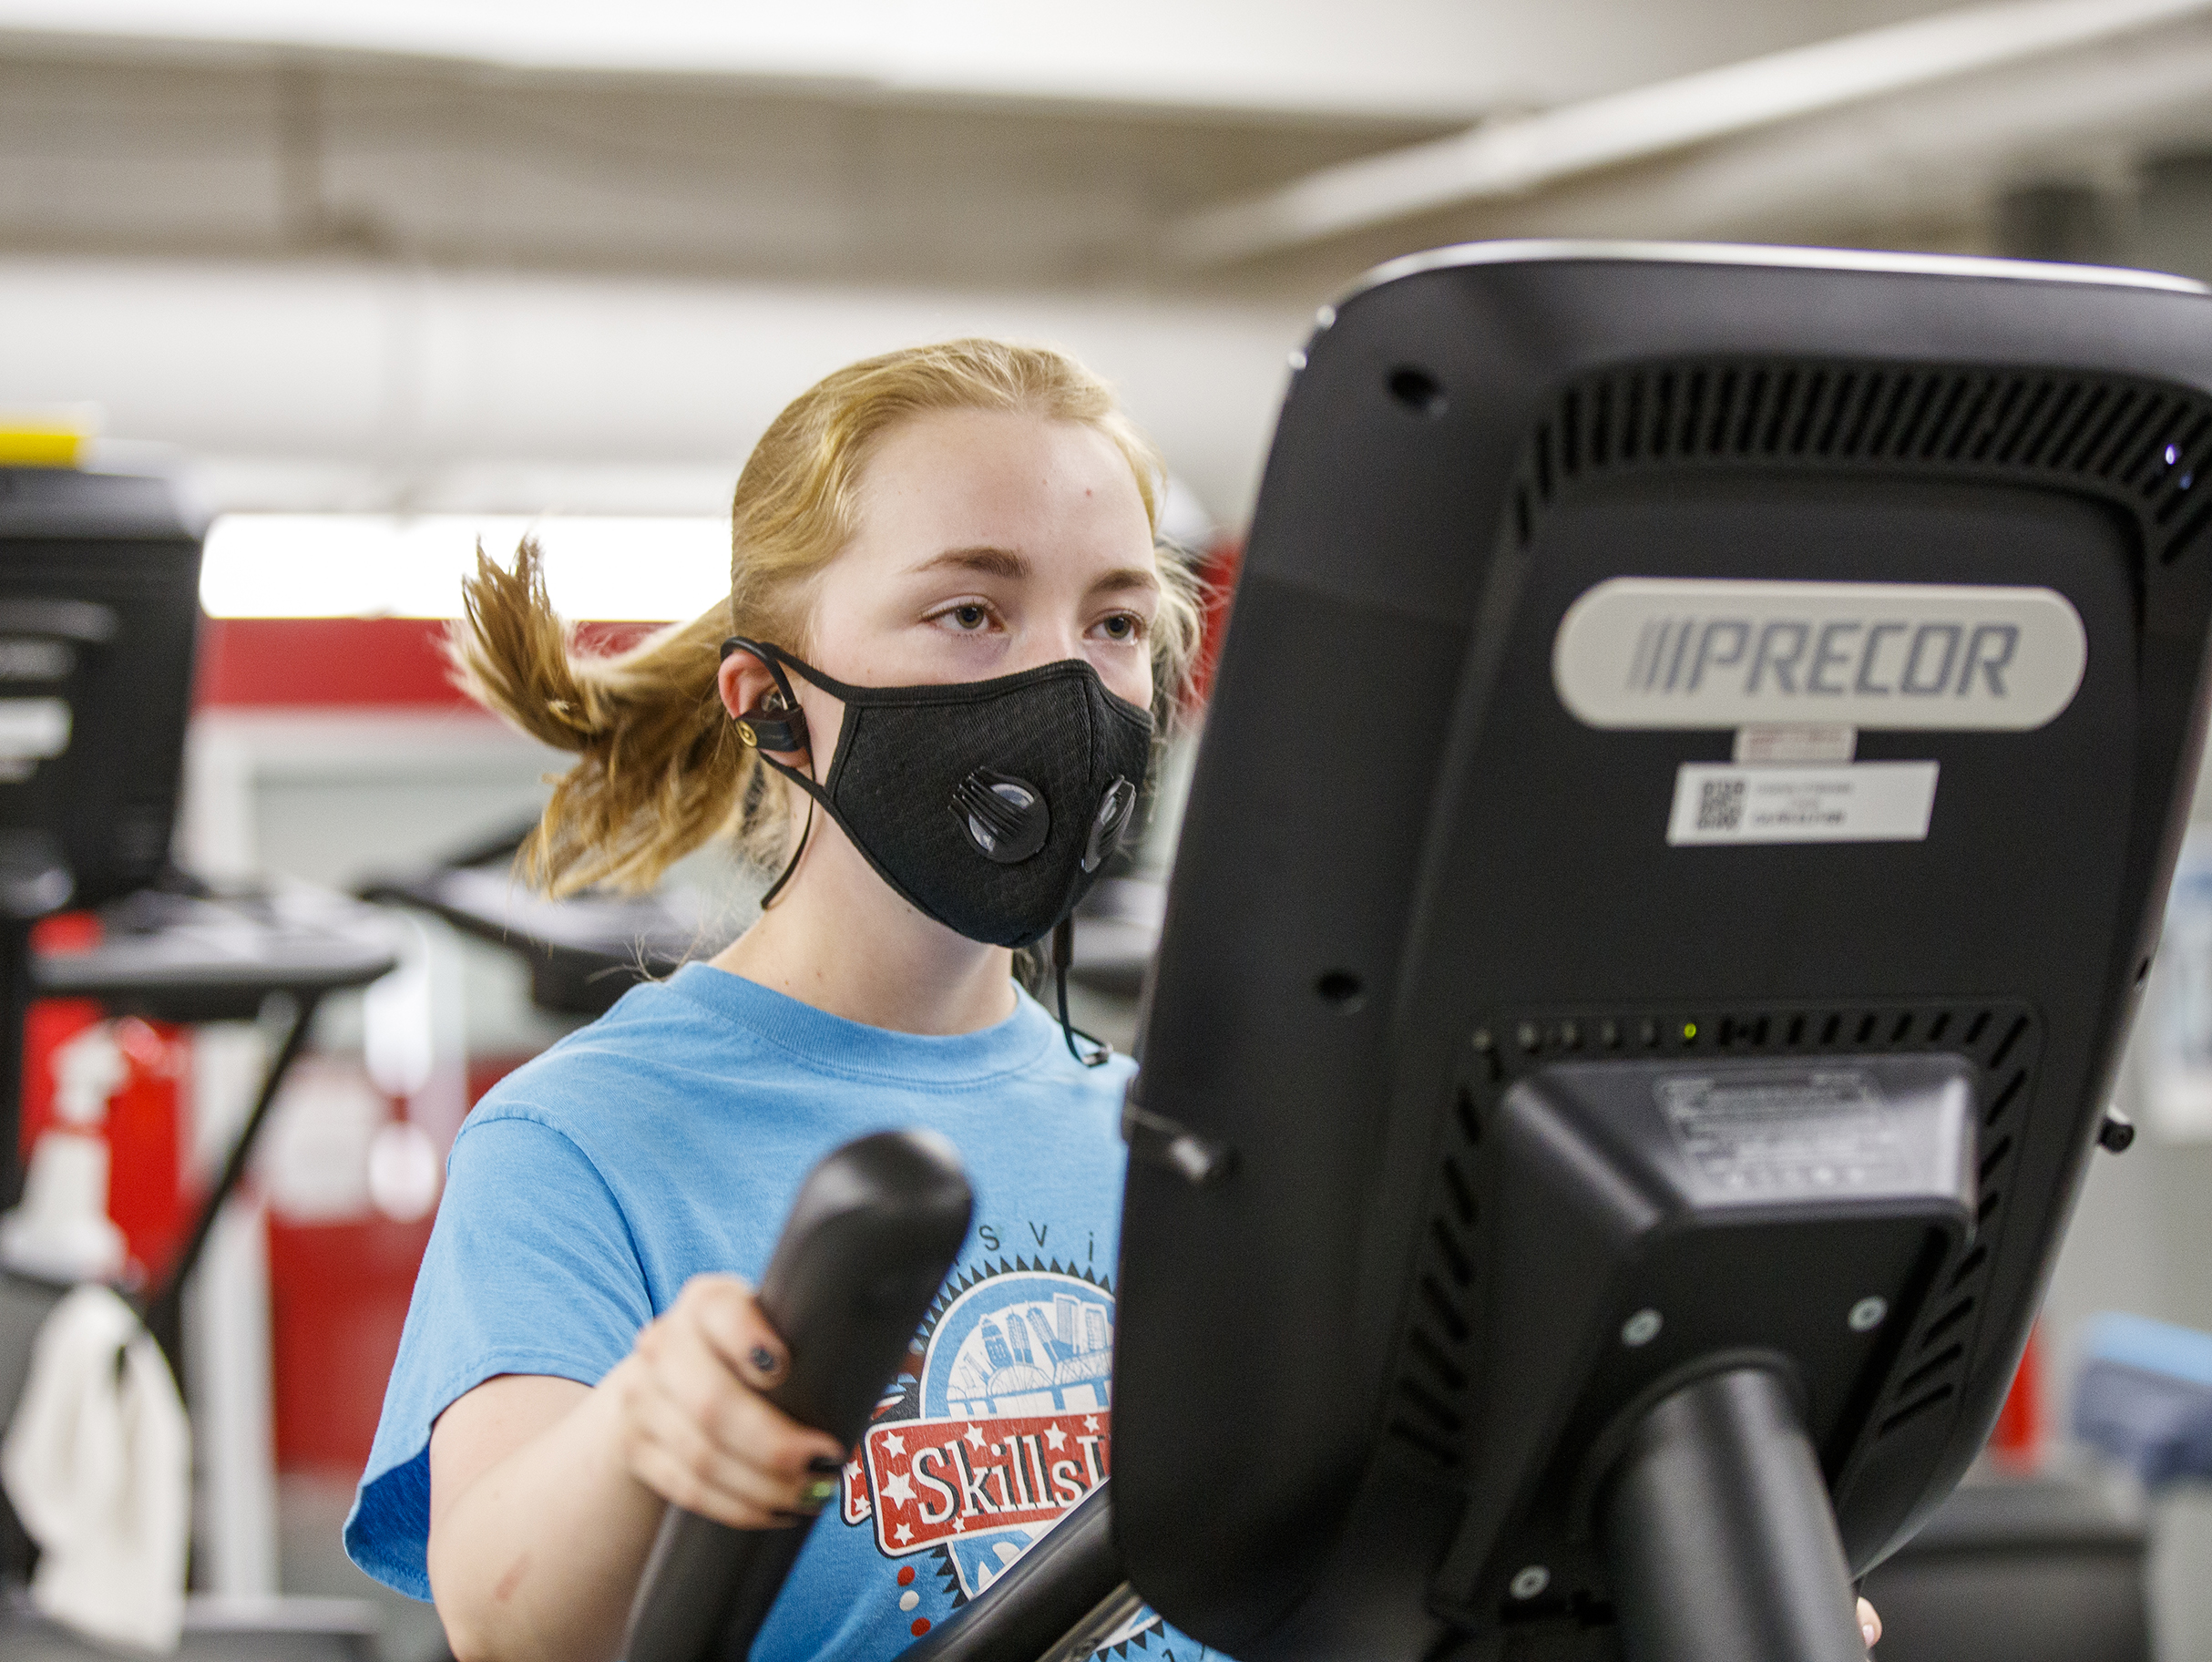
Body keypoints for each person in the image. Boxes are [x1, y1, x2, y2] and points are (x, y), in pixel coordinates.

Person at [344, 339, 1204, 1662]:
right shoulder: (581, 1138)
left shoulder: (1167, 1137)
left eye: (1115, 623)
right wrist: (642, 1434)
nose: (1072, 688)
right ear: (773, 705)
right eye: (971, 611)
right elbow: (504, 1620)